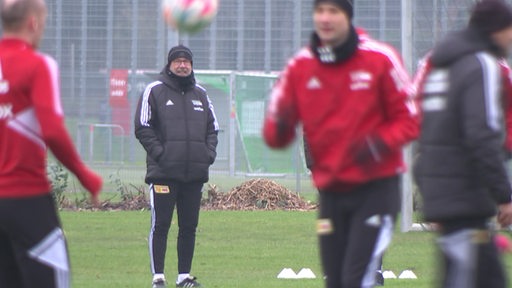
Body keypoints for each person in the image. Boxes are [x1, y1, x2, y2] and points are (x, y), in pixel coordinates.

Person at [262, 0, 419, 287]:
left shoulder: (380, 59)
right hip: (333, 193)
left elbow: (410, 118)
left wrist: (375, 145)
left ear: (347, 16)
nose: (325, 17)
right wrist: (280, 122)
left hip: (376, 188)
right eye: (320, 10)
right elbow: (277, 134)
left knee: (359, 276)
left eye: (333, 11)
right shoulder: (303, 65)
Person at [0, 0, 103, 287]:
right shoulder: (38, 65)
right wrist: (86, 177)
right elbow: (53, 131)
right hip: (27, 200)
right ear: (33, 23)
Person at [413, 0, 512, 287]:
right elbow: (481, 135)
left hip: (447, 193)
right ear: (496, 30)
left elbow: (427, 132)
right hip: (464, 197)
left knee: (488, 278)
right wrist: (504, 194)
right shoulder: (480, 64)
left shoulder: (441, 66)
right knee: (463, 278)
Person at [134, 44, 219, 288]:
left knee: (189, 227)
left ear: (191, 66)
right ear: (169, 65)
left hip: (194, 175)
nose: (182, 65)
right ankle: (158, 278)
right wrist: (161, 154)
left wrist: (207, 154)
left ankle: (184, 278)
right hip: (164, 173)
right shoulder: (154, 91)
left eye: (187, 62)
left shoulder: (201, 94)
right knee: (160, 225)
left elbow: (212, 129)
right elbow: (142, 126)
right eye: (178, 61)